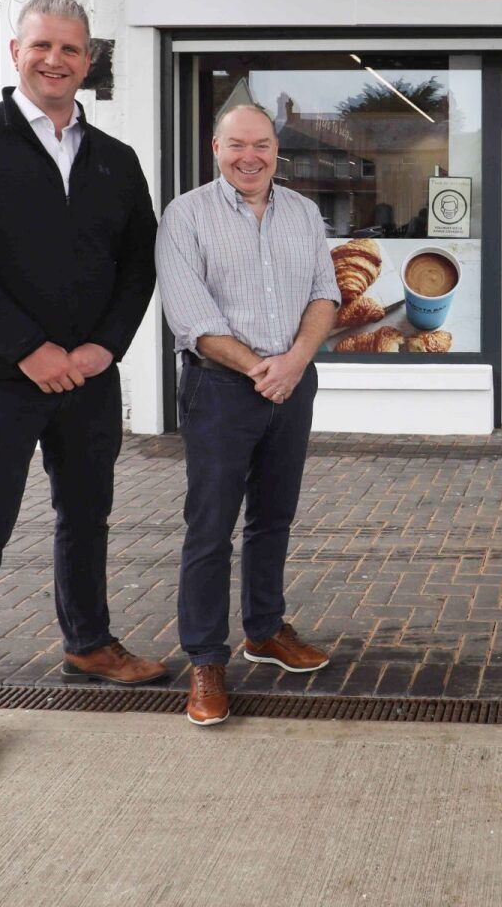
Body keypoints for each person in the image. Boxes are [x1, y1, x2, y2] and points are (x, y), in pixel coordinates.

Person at [0, 0, 163, 787]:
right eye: (42, 45)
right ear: (15, 52)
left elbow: (139, 262)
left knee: (86, 515)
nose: (56, 60)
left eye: (71, 49)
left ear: (89, 62)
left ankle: (88, 642)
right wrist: (29, 350)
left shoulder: (115, 158)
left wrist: (102, 348)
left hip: (86, 377)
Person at [155, 100, 341, 728]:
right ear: (216, 148)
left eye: (261, 144)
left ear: (276, 150)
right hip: (220, 388)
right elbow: (191, 316)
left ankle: (264, 629)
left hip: (292, 383)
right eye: (237, 145)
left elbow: (325, 294)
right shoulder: (186, 216)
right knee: (210, 526)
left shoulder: (304, 213)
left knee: (273, 517)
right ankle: (206, 658)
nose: (250, 156)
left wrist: (294, 363)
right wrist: (262, 368)